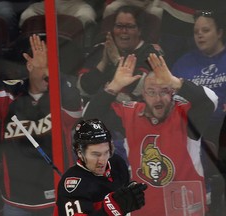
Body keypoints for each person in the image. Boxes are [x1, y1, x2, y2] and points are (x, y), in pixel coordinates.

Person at [0, 26, 83, 215]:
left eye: (50, 66)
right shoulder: (9, 94)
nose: (45, 71)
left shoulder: (61, 97)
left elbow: (74, 106)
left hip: (58, 197)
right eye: (39, 65)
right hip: (16, 201)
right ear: (29, 66)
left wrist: (50, 72)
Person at [83, 53, 218, 215]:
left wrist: (176, 82)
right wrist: (114, 86)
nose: (158, 98)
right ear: (143, 95)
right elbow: (90, 118)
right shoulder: (130, 115)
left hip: (186, 211)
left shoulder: (184, 115)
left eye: (164, 91)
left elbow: (211, 100)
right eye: (151, 92)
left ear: (172, 93)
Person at [54, 118, 147, 215]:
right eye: (96, 154)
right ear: (80, 153)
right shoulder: (73, 185)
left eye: (106, 152)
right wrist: (111, 210)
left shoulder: (117, 164)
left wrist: (130, 193)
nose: (102, 161)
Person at [77, 5, 163, 103]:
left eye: (130, 26)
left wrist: (116, 60)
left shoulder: (151, 54)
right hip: (97, 111)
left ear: (139, 30)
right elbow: (82, 89)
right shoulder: (101, 48)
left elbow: (142, 88)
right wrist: (103, 63)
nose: (123, 31)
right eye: (119, 26)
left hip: (132, 114)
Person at [171, 9, 226, 157]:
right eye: (196, 32)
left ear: (220, 32)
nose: (200, 35)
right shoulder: (183, 63)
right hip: (191, 129)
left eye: (206, 30)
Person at [19, 0, 96, 28]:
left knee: (87, 16)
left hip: (75, 3)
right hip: (50, 3)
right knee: (27, 15)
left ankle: (82, 48)